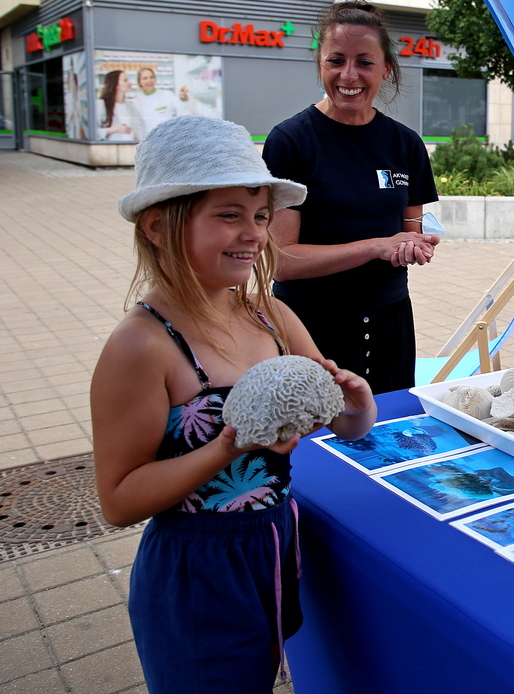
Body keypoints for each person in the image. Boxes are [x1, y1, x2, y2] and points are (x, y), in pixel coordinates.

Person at [91, 116, 377, 694]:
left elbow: (342, 425)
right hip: (197, 568)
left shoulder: (268, 313)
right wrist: (230, 443)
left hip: (273, 545)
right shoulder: (142, 346)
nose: (253, 234)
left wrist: (356, 402)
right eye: (229, 215)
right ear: (157, 225)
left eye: (261, 216)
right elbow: (119, 501)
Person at [264, 0, 440, 394]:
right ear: (320, 65)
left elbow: (410, 230)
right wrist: (376, 246)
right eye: (336, 60)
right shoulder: (290, 142)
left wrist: (415, 245)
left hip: (389, 318)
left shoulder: (405, 144)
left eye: (364, 62)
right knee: (311, 440)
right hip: (309, 324)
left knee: (388, 433)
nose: (349, 75)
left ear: (385, 69)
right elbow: (282, 261)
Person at [129, 67, 191, 140]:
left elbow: (182, 106)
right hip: (149, 141)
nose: (149, 80)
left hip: (168, 138)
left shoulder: (166, 94)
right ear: (140, 82)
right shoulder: (136, 102)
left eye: (151, 77)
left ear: (155, 79)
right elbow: (138, 125)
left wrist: (183, 96)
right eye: (145, 78)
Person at [97, 70, 135, 141]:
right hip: (111, 149)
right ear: (116, 85)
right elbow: (94, 133)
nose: (129, 82)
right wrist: (116, 129)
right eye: (125, 80)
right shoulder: (102, 104)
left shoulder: (129, 105)